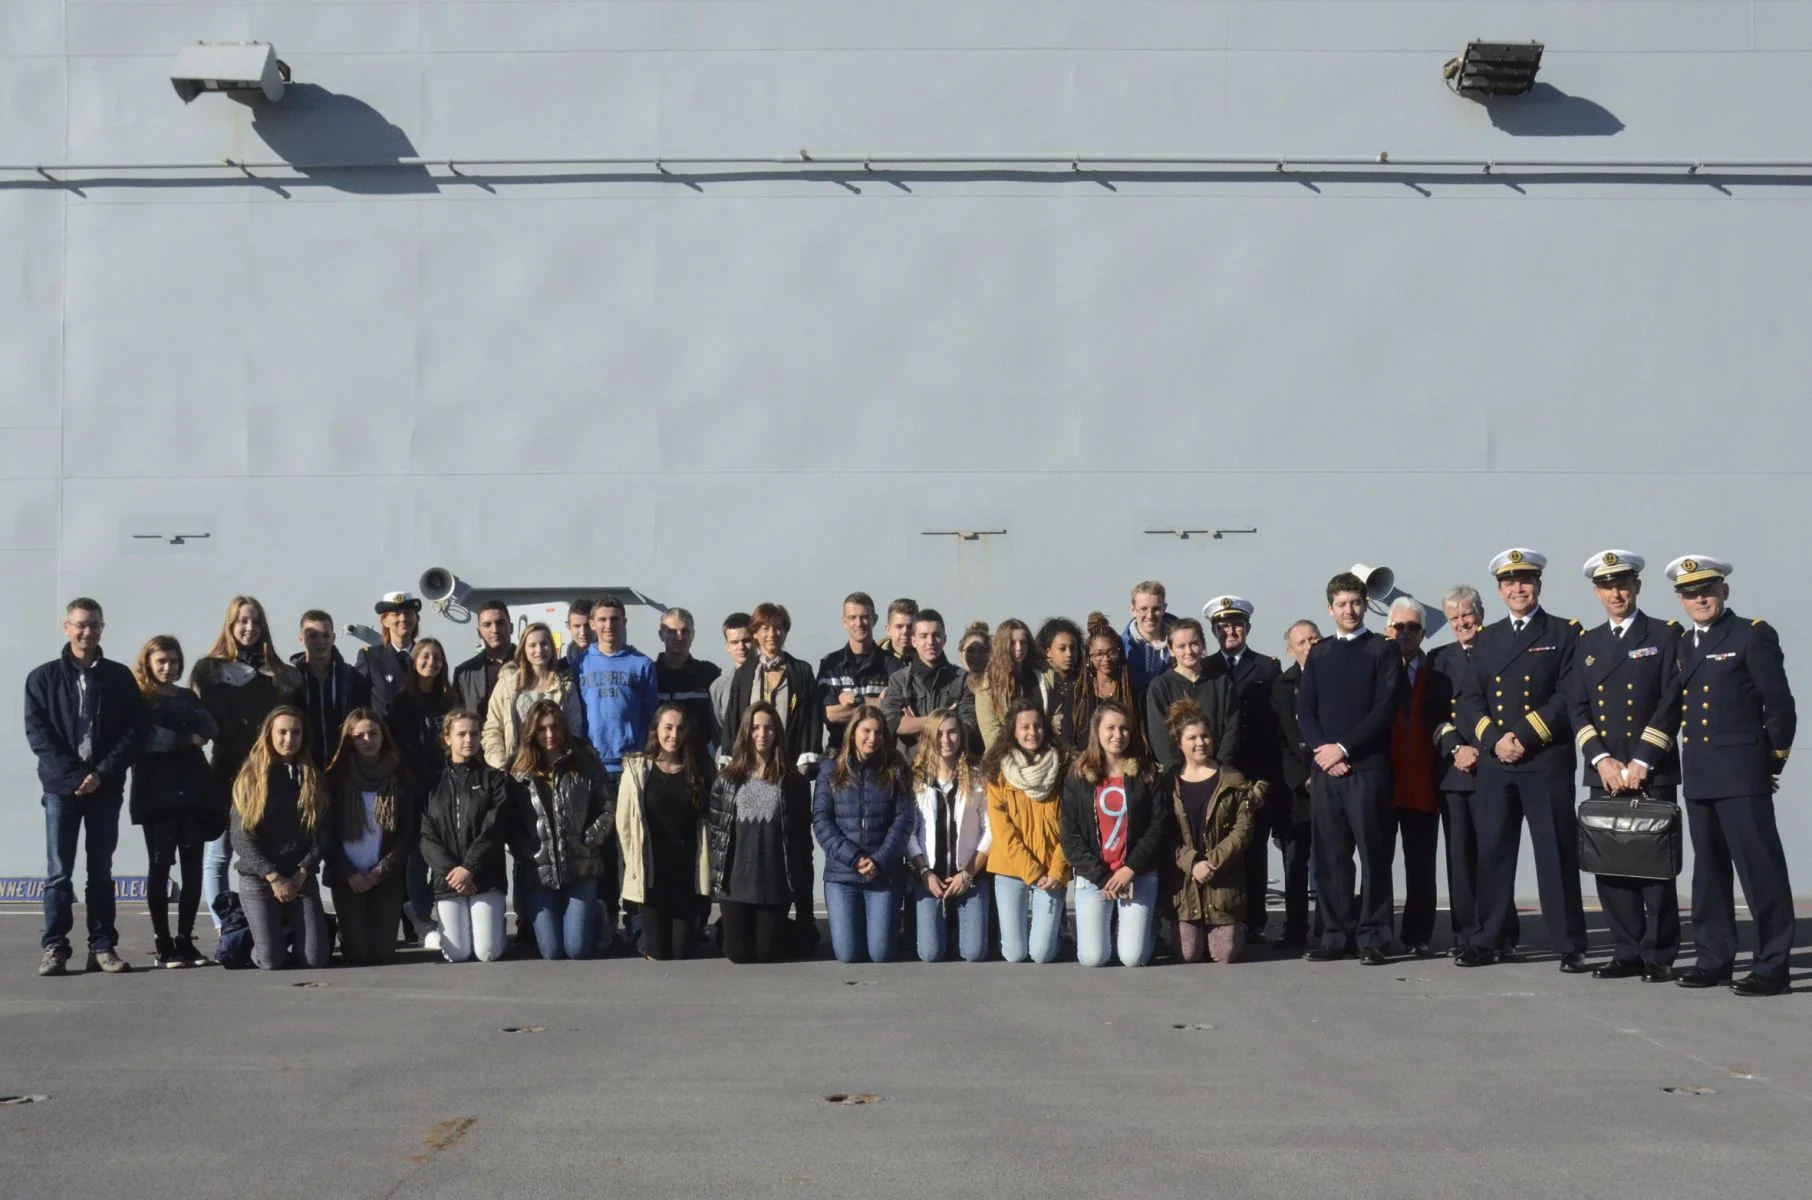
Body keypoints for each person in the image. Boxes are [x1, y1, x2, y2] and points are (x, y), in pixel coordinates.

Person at [1665, 555, 1797, 996]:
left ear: (1724, 591)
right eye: (1689, 593)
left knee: (1760, 870)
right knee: (1709, 872)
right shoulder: (1685, 644)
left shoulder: (1751, 635)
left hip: (1743, 774)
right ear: (1681, 600)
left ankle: (1772, 965)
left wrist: (1770, 761)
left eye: (1706, 589)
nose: (1699, 598)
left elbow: (1778, 704)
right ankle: (1713, 958)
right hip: (1700, 773)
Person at [1456, 549, 1589, 972]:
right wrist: (1496, 740)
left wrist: (1523, 735)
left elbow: (1568, 695)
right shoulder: (1489, 637)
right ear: (1499, 590)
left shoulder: (1566, 632)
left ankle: (1569, 942)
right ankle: (1488, 938)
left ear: (1538, 586)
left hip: (1544, 758)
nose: (1518, 589)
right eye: (1510, 583)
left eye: (1525, 581)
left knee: (1555, 852)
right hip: (1497, 763)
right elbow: (1468, 701)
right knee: (1493, 853)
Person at [1570, 551, 1681, 983]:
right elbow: (1577, 707)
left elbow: (1672, 701)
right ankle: (1626, 950)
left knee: (1654, 865)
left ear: (1637, 587)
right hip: (1606, 770)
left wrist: (1641, 761)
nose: (1616, 592)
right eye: (1607, 586)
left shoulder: (1664, 635)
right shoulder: (1588, 642)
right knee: (1611, 862)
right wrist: (1601, 759)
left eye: (1623, 584)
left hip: (1649, 768)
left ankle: (1660, 954)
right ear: (1597, 592)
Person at [26, 598, 143, 976]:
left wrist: (101, 774)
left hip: (105, 789)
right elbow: (39, 735)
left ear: (102, 628)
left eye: (93, 625)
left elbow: (132, 732)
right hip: (61, 789)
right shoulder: (42, 678)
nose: (86, 632)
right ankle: (56, 948)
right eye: (79, 625)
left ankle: (103, 946)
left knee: (101, 871)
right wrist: (76, 776)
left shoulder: (119, 677)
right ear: (66, 627)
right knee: (59, 872)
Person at [1297, 571, 1403, 965]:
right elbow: (1305, 710)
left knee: (1373, 855)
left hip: (1368, 769)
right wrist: (1324, 752)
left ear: (1365, 605)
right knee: (1331, 855)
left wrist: (1343, 748)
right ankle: (1335, 935)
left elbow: (1386, 707)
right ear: (1330, 609)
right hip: (1327, 771)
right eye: (1341, 604)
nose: (1350, 610)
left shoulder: (1382, 650)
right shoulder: (1320, 653)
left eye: (1356, 603)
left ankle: (1374, 936)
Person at [191, 595, 301, 931]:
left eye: (254, 621)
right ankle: (226, 927)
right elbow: (200, 724)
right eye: (242, 621)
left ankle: (269, 924)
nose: (248, 628)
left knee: (265, 850)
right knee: (218, 854)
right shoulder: (208, 671)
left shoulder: (282, 675)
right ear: (230, 624)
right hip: (225, 772)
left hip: (269, 777)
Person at [130, 636, 222, 968]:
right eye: (161, 661)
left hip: (193, 793)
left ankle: (185, 940)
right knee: (160, 867)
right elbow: (147, 740)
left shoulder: (187, 697)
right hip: (157, 797)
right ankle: (162, 943)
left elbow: (210, 726)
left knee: (192, 867)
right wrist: (184, 738)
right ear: (148, 663)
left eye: (173, 661)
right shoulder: (140, 699)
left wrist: (183, 734)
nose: (168, 668)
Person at [1428, 586, 1510, 958]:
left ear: (1480, 613)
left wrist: (1481, 747)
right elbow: (1434, 715)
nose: (1462, 623)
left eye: (1467, 615)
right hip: (1455, 773)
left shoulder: (1500, 647)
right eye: (1455, 618)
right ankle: (1465, 935)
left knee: (1495, 855)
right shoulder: (1438, 659)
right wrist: (1455, 748)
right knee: (1460, 859)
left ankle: (1502, 934)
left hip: (1495, 766)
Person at [1060, 702, 1170, 967]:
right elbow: (1070, 835)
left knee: (1132, 958)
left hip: (1137, 875)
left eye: (1124, 729)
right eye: (1110, 728)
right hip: (1095, 878)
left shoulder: (1145, 772)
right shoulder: (1078, 776)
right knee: (1093, 958)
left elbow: (1159, 824)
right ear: (1097, 730)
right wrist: (1102, 875)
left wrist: (1131, 868)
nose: (1117, 735)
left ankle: (1146, 925)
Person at [708, 701, 818, 964]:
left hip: (774, 885)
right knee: (738, 955)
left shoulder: (793, 782)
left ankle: (780, 929)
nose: (762, 734)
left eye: (769, 728)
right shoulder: (726, 780)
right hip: (735, 886)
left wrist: (805, 909)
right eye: (755, 727)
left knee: (767, 954)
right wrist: (716, 883)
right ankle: (729, 926)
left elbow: (803, 844)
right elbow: (716, 837)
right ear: (745, 732)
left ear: (777, 733)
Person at [508, 699, 617, 960]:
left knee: (577, 950)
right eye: (542, 729)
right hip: (539, 871)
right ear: (532, 732)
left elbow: (608, 806)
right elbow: (509, 821)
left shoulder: (585, 761)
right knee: (551, 951)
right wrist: (527, 852)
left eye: (555, 727)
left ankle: (597, 912)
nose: (550, 735)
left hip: (580, 867)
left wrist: (590, 839)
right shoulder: (517, 770)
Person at [577, 597, 658, 939]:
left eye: (615, 619)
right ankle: (606, 914)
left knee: (633, 845)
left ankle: (636, 916)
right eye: (603, 619)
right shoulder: (578, 663)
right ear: (592, 624)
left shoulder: (641, 664)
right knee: (600, 846)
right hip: (592, 766)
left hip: (629, 766)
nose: (609, 625)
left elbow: (652, 718)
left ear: (625, 622)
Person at [1203, 596, 1283, 946]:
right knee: (1217, 847)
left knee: (1254, 848)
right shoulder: (1205, 669)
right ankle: (1220, 916)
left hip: (1253, 775)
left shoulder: (1267, 667)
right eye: (1222, 626)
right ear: (1214, 630)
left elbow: (1276, 726)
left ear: (1247, 628)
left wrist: (1267, 778)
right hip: (1215, 772)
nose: (1230, 630)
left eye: (1236, 624)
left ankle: (1255, 919)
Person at [1162, 698, 1264, 964]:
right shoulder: (1168, 782)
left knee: (1224, 955)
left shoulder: (1232, 779)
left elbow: (1243, 830)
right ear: (1179, 743)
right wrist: (1192, 862)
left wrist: (1212, 861)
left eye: (1205, 736)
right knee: (1189, 954)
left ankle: (1236, 925)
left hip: (1223, 881)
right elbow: (1162, 833)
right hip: (1186, 883)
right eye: (1192, 738)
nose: (1200, 743)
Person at [229, 707, 331, 971]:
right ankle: (256, 934)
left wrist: (301, 873)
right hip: (260, 880)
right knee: (271, 960)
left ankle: (292, 927)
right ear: (269, 735)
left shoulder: (312, 776)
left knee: (315, 959)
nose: (289, 739)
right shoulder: (251, 777)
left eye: (295, 732)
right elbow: (241, 837)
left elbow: (322, 833)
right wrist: (272, 876)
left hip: (300, 878)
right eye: (282, 732)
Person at [812, 705, 915, 964]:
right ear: (853, 732)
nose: (873, 738)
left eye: (879, 732)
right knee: (848, 955)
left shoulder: (895, 769)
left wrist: (879, 860)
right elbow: (822, 821)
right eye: (866, 731)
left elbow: (903, 821)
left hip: (883, 873)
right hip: (842, 875)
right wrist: (855, 858)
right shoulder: (830, 770)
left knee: (880, 954)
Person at [616, 705, 714, 961]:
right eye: (668, 728)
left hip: (686, 872)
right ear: (656, 731)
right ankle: (638, 929)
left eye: (680, 728)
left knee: (682, 953)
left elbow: (708, 822)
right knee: (657, 952)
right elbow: (624, 824)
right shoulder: (637, 770)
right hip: (652, 873)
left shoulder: (700, 770)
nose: (674, 735)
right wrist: (634, 863)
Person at [322, 707, 416, 966]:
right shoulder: (334, 778)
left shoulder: (400, 775)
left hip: (384, 875)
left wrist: (380, 872)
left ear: (383, 736)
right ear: (349, 740)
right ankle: (342, 930)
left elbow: (408, 832)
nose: (367, 740)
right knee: (357, 955)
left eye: (373, 734)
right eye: (359, 735)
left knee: (382, 954)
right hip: (347, 876)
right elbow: (325, 833)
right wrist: (349, 873)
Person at [419, 709, 512, 964]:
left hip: (485, 877)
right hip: (448, 880)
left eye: (473, 733)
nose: (468, 739)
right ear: (447, 738)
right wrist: (454, 872)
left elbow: (494, 829)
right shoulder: (432, 783)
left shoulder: (494, 779)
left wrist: (470, 867)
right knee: (457, 954)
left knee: (487, 953)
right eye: (461, 734)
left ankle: (495, 928)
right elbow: (426, 835)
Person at [983, 700, 1070, 964]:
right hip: (1011, 868)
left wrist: (1057, 870)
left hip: (1051, 870)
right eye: (1025, 727)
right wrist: (1031, 871)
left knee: (1041, 954)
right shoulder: (998, 773)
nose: (1032, 732)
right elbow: (1003, 833)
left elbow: (1071, 827)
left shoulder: (1063, 770)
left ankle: (1056, 935)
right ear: (1013, 731)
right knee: (1015, 954)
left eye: (1037, 726)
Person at [906, 709, 992, 963]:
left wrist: (968, 874)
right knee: (931, 954)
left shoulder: (978, 778)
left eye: (952, 732)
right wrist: (924, 872)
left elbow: (990, 830)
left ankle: (959, 923)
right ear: (929, 737)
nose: (946, 740)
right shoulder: (917, 779)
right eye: (939, 734)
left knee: (973, 953)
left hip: (969, 877)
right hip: (930, 877)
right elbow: (908, 832)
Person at [387, 638, 455, 944]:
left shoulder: (449, 699)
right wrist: (426, 779)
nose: (431, 662)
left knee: (444, 852)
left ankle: (444, 911)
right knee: (416, 855)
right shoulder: (402, 702)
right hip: (417, 788)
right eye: (425, 656)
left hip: (448, 788)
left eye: (437, 657)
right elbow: (404, 747)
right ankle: (420, 915)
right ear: (414, 662)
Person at [1384, 597, 1440, 957]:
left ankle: (1418, 933)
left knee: (1421, 865)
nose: (1405, 633)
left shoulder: (1435, 672)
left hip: (1423, 783)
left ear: (1423, 633)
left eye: (1413, 627)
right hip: (1383, 783)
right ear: (1389, 630)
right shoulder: (1374, 666)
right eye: (1399, 626)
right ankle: (1379, 932)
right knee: (1379, 863)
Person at [724, 603, 824, 774]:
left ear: (785, 632)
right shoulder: (744, 674)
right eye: (765, 628)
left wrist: (807, 758)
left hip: (789, 763)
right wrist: (730, 758)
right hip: (751, 766)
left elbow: (812, 718)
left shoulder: (801, 671)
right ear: (755, 633)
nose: (772, 634)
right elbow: (732, 719)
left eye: (778, 628)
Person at [1271, 619, 1320, 948]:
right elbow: (1281, 741)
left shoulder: (1335, 679)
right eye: (1301, 642)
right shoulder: (1282, 686)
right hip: (1297, 789)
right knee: (1295, 863)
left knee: (1334, 860)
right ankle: (1295, 927)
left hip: (1333, 779)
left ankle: (1332, 925)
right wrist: (1302, 779)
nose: (1309, 646)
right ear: (1291, 650)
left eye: (1314, 639)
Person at [481, 621, 583, 770]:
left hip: (555, 768)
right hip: (516, 769)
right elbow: (492, 729)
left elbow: (575, 730)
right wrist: (502, 764)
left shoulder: (566, 687)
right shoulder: (506, 685)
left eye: (544, 644)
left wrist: (567, 763)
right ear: (523, 649)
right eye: (532, 645)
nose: (539, 650)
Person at [1143, 619, 1240, 773]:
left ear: (1202, 644)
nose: (1189, 651)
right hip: (1180, 776)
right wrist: (1183, 772)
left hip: (1219, 771)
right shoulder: (1160, 687)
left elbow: (1232, 729)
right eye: (1181, 646)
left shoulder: (1222, 683)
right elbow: (1160, 737)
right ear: (1171, 650)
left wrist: (1218, 766)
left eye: (1194, 644)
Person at [880, 608, 976, 754]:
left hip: (950, 767)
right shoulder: (899, 680)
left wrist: (917, 726)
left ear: (944, 639)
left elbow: (968, 726)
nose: (931, 642)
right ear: (914, 641)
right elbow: (891, 723)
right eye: (924, 636)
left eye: (936, 635)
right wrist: (939, 721)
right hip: (910, 767)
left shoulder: (962, 679)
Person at [290, 610, 371, 767]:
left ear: (333, 638)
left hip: (345, 767)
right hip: (304, 766)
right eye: (313, 635)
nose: (321, 641)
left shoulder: (352, 678)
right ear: (301, 639)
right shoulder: (290, 679)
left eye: (325, 635)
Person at [817, 593, 894, 753]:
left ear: (875, 619)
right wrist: (874, 705)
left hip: (879, 755)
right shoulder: (830, 664)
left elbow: (893, 711)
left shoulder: (892, 664)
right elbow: (828, 715)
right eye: (852, 617)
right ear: (844, 621)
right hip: (838, 753)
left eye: (864, 617)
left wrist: (857, 700)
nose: (859, 623)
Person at [1076, 613, 1147, 758]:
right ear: (1089, 658)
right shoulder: (1079, 693)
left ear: (1120, 654)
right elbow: (1069, 738)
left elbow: (1141, 736)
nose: (1106, 659)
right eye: (1098, 654)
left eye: (1111, 652)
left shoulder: (1134, 692)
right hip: (1087, 766)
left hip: (1126, 766)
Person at [655, 607, 722, 755]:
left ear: (693, 635)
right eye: (672, 631)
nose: (679, 637)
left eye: (685, 631)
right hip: (661, 760)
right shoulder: (650, 674)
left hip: (701, 760)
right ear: (661, 635)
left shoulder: (709, 674)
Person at [974, 619, 1038, 753]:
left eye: (1023, 642)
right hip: (1004, 760)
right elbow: (992, 735)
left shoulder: (1041, 677)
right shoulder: (986, 687)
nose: (1019, 648)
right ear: (1002, 645)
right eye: (1012, 643)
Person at [355, 591, 422, 717]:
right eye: (396, 614)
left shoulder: (426, 657)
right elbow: (358, 701)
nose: (403, 618)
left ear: (416, 619)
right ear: (384, 620)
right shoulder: (370, 658)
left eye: (408, 613)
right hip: (385, 733)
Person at [453, 600, 516, 716]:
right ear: (479, 633)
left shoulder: (530, 664)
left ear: (511, 627)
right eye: (487, 625)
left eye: (500, 623)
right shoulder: (464, 673)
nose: (495, 630)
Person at [1034, 617, 1085, 754]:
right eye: (1062, 649)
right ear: (1048, 651)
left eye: (1073, 648)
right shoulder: (1038, 683)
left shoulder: (1083, 683)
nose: (1069, 654)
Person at [708, 612, 754, 758]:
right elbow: (718, 733)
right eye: (734, 642)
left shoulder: (771, 679)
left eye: (746, 640)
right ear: (727, 646)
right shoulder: (718, 687)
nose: (741, 647)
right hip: (733, 765)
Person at [1122, 580, 1177, 698]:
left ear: (1164, 608)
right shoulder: (1120, 649)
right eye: (1143, 609)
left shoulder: (1182, 645)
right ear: (1132, 610)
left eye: (1156, 609)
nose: (1150, 615)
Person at [879, 598, 920, 672]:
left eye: (910, 627)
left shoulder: (928, 662)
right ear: (888, 629)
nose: (905, 631)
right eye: (899, 626)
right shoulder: (875, 661)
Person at [563, 598, 595, 673]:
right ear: (569, 627)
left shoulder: (611, 661)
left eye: (587, 625)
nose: (583, 632)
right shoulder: (560, 668)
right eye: (577, 626)